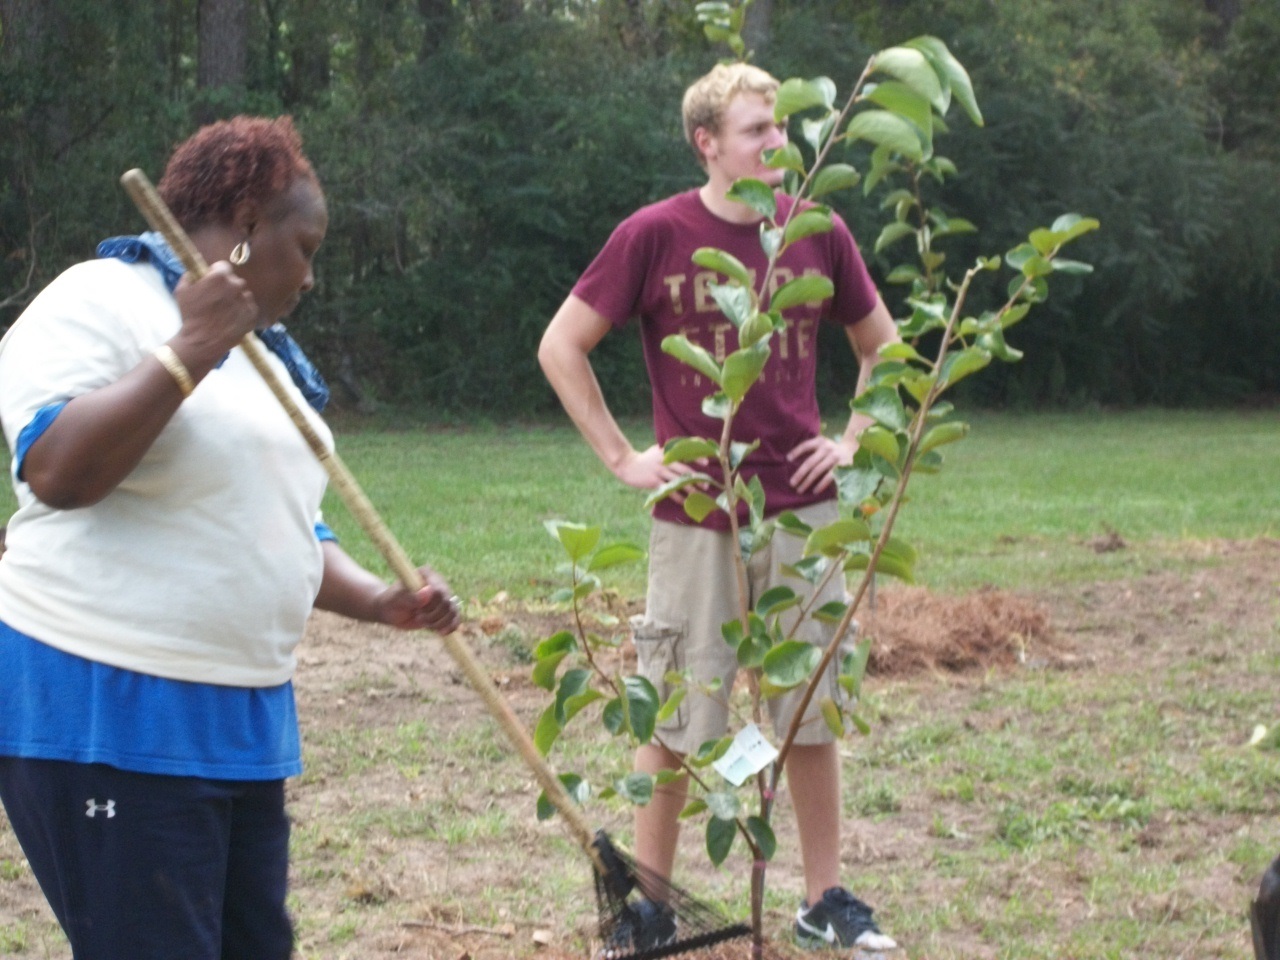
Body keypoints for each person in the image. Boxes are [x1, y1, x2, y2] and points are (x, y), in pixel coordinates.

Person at [0, 115, 461, 960]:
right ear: (248, 222)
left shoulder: (267, 359)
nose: (311, 277)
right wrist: (189, 350)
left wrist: (379, 600)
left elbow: (285, 526)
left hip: (241, 720)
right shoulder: (98, 298)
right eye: (306, 245)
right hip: (110, 709)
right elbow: (58, 471)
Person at [538, 63, 901, 954]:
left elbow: (882, 346)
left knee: (806, 709)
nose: (776, 143)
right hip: (697, 518)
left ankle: (826, 900)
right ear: (708, 143)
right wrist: (624, 457)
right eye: (754, 131)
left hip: (804, 514)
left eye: (780, 128)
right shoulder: (657, 235)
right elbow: (561, 344)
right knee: (673, 715)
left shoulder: (816, 231)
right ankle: (650, 910)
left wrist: (853, 443)